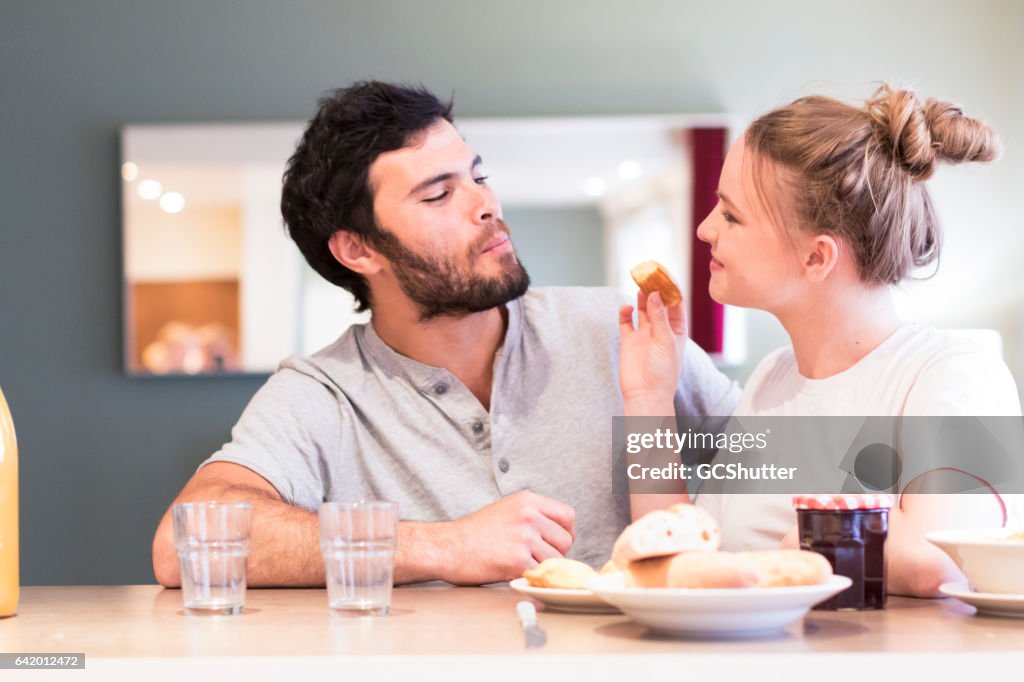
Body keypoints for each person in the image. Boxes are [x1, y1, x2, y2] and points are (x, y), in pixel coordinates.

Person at [151, 81, 739, 587]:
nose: (485, 203)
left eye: (478, 176)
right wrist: (443, 546)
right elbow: (184, 543)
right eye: (439, 194)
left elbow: (808, 474)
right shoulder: (324, 394)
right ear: (358, 249)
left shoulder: (618, 331)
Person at [620, 83, 1022, 597]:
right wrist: (648, 398)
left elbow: (937, 560)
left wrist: (796, 548)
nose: (704, 229)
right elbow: (680, 561)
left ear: (817, 257)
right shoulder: (771, 379)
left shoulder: (955, 372)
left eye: (731, 215)